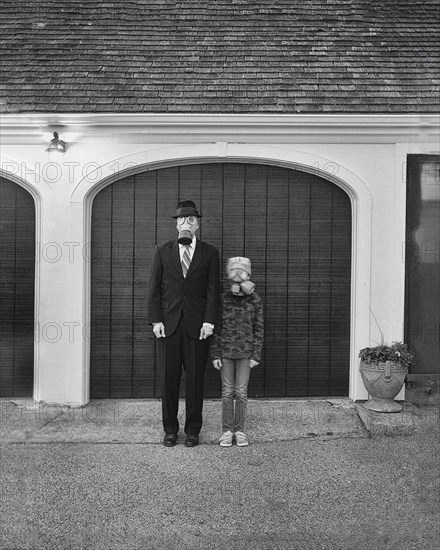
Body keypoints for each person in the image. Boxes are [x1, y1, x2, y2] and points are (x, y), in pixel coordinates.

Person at [148, 200, 220, 447]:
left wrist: (210, 320)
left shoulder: (210, 253)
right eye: (180, 220)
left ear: (197, 224)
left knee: (195, 381)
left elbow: (213, 290)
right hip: (168, 326)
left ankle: (192, 430)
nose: (185, 224)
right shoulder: (162, 251)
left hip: (197, 327)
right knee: (168, 379)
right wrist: (155, 319)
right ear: (176, 224)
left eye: (190, 220)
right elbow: (154, 289)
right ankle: (170, 429)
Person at [211, 257, 264, 447]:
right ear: (228, 274)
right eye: (234, 271)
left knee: (241, 392)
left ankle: (239, 431)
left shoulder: (255, 299)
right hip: (225, 353)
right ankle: (227, 431)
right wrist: (215, 354)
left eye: (242, 272)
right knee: (227, 392)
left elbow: (259, 328)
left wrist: (256, 354)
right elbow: (217, 327)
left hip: (246, 354)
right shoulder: (223, 298)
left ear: (249, 274)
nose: (238, 275)